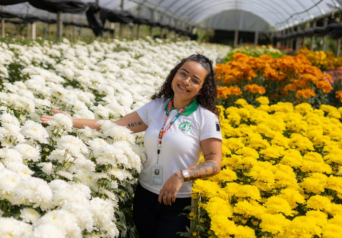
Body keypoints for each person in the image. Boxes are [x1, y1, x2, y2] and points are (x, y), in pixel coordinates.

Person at [40, 54, 223, 238]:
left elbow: (214, 163)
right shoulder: (156, 107)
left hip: (177, 202)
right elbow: (116, 126)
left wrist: (182, 175)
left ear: (201, 89)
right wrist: (71, 121)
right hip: (144, 196)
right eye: (183, 74)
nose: (186, 81)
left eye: (195, 80)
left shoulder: (205, 119)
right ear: (175, 74)